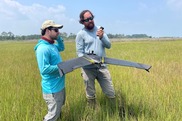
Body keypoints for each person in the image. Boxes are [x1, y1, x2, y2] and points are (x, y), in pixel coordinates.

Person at [75, 10, 116, 107]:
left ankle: (113, 109)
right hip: (88, 69)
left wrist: (102, 37)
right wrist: (90, 60)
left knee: (110, 91)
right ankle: (92, 111)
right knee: (90, 93)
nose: (90, 21)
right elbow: (79, 53)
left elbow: (109, 45)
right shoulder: (81, 34)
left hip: (102, 66)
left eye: (91, 18)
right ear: (82, 22)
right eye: (87, 19)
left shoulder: (99, 31)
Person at [34, 20, 65, 121]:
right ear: (47, 30)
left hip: (59, 85)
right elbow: (44, 69)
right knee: (52, 116)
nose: (58, 32)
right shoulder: (43, 48)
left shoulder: (51, 45)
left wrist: (58, 37)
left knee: (58, 111)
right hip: (52, 88)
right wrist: (63, 66)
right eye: (56, 30)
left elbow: (61, 47)